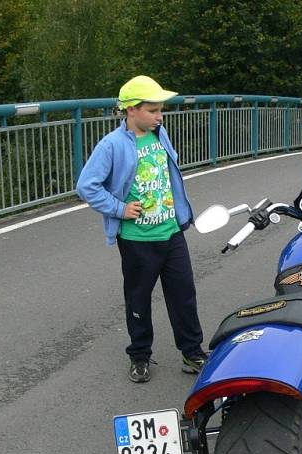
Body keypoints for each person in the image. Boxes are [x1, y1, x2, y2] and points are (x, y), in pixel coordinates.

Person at [76, 75, 209, 383]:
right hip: (137, 239)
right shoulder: (111, 145)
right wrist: (119, 209)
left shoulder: (160, 134)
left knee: (184, 294)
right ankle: (139, 356)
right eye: (152, 110)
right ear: (131, 110)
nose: (159, 116)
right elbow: (86, 185)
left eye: (161, 109)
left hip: (171, 232)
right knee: (139, 298)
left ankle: (192, 353)